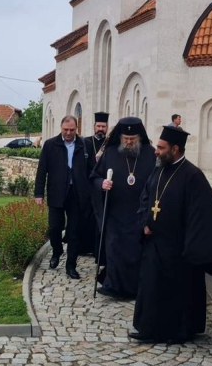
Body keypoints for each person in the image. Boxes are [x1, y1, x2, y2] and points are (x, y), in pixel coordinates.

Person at [129, 126, 212, 343]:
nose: (156, 151)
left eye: (161, 147)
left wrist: (187, 242)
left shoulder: (193, 175)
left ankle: (177, 332)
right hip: (154, 243)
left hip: (178, 248)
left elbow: (202, 214)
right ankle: (148, 329)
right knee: (151, 286)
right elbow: (145, 199)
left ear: (175, 149)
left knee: (177, 292)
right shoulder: (158, 170)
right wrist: (144, 223)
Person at [91, 117, 156, 300]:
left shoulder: (150, 154)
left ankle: (133, 288)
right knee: (114, 248)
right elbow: (94, 177)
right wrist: (102, 183)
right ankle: (113, 285)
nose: (128, 142)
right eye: (125, 138)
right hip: (115, 211)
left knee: (135, 251)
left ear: (139, 137)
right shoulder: (110, 153)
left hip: (139, 212)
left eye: (132, 139)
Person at [34, 116, 90, 280]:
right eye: (65, 130)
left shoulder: (83, 145)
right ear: (61, 128)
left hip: (77, 194)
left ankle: (71, 265)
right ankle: (57, 251)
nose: (68, 133)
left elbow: (92, 169)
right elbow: (42, 170)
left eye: (72, 130)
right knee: (54, 228)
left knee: (74, 232)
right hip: (56, 193)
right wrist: (38, 194)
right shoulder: (51, 145)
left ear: (76, 129)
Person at [82, 112, 110, 255]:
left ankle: (98, 249)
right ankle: (86, 247)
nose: (100, 129)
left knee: (100, 217)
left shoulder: (110, 144)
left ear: (107, 127)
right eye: (98, 126)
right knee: (87, 216)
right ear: (94, 127)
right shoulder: (86, 142)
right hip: (88, 184)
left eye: (103, 126)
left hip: (103, 185)